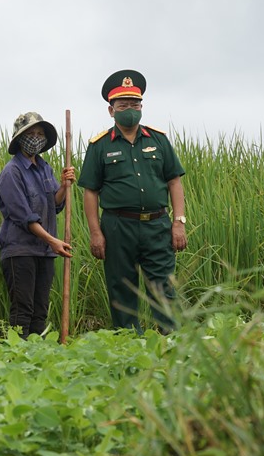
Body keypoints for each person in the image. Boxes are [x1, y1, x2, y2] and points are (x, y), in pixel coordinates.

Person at [78, 70, 187, 333]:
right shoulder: (100, 145)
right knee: (121, 288)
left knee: (164, 287)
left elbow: (174, 181)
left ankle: (171, 342)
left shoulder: (158, 140)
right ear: (111, 110)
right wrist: (95, 233)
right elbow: (90, 191)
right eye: (123, 105)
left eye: (134, 104)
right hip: (117, 227)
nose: (130, 110)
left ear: (142, 107)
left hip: (157, 225)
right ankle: (128, 344)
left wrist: (179, 222)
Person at [0, 112, 75, 338]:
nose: (36, 138)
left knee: (40, 310)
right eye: (31, 134)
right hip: (20, 250)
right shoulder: (11, 173)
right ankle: (18, 358)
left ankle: (36, 357)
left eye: (40, 134)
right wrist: (52, 240)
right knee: (23, 309)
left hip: (45, 252)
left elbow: (54, 205)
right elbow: (24, 217)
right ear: (20, 138)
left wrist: (64, 186)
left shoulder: (44, 168)